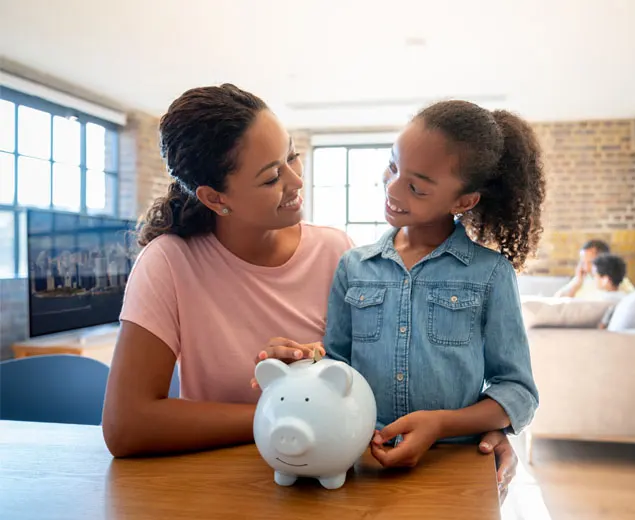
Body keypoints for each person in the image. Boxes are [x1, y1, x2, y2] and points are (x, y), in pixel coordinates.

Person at [101, 84, 516, 494]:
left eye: (292, 156)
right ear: (215, 197)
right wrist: (284, 414)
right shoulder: (168, 263)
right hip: (229, 485)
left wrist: (477, 428)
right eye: (270, 178)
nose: (297, 180)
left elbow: (396, 377)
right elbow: (127, 426)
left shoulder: (339, 252)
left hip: (340, 484)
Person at [323, 100, 544, 469]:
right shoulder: (353, 267)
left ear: (464, 200)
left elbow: (518, 392)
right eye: (393, 166)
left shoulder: (490, 275)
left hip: (453, 461)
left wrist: (441, 424)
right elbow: (335, 369)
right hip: (360, 457)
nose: (393, 189)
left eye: (417, 188)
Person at [554, 239, 635, 298]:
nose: (585, 267)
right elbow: (557, 300)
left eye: (589, 262)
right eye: (583, 262)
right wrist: (577, 284)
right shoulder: (580, 279)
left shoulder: (618, 282)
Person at [591, 253, 628, 329]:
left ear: (606, 279)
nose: (593, 279)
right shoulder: (626, 298)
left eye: (595, 276)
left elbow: (601, 327)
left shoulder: (603, 302)